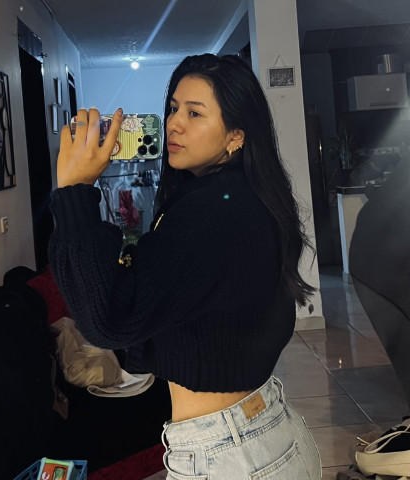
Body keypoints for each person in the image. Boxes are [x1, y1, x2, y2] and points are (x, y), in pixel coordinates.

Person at [48, 54, 322, 479]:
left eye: (195, 113)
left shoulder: (215, 211)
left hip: (231, 456)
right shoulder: (239, 197)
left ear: (235, 135)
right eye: (174, 108)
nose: (174, 123)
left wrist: (75, 192)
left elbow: (108, 320)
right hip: (257, 431)